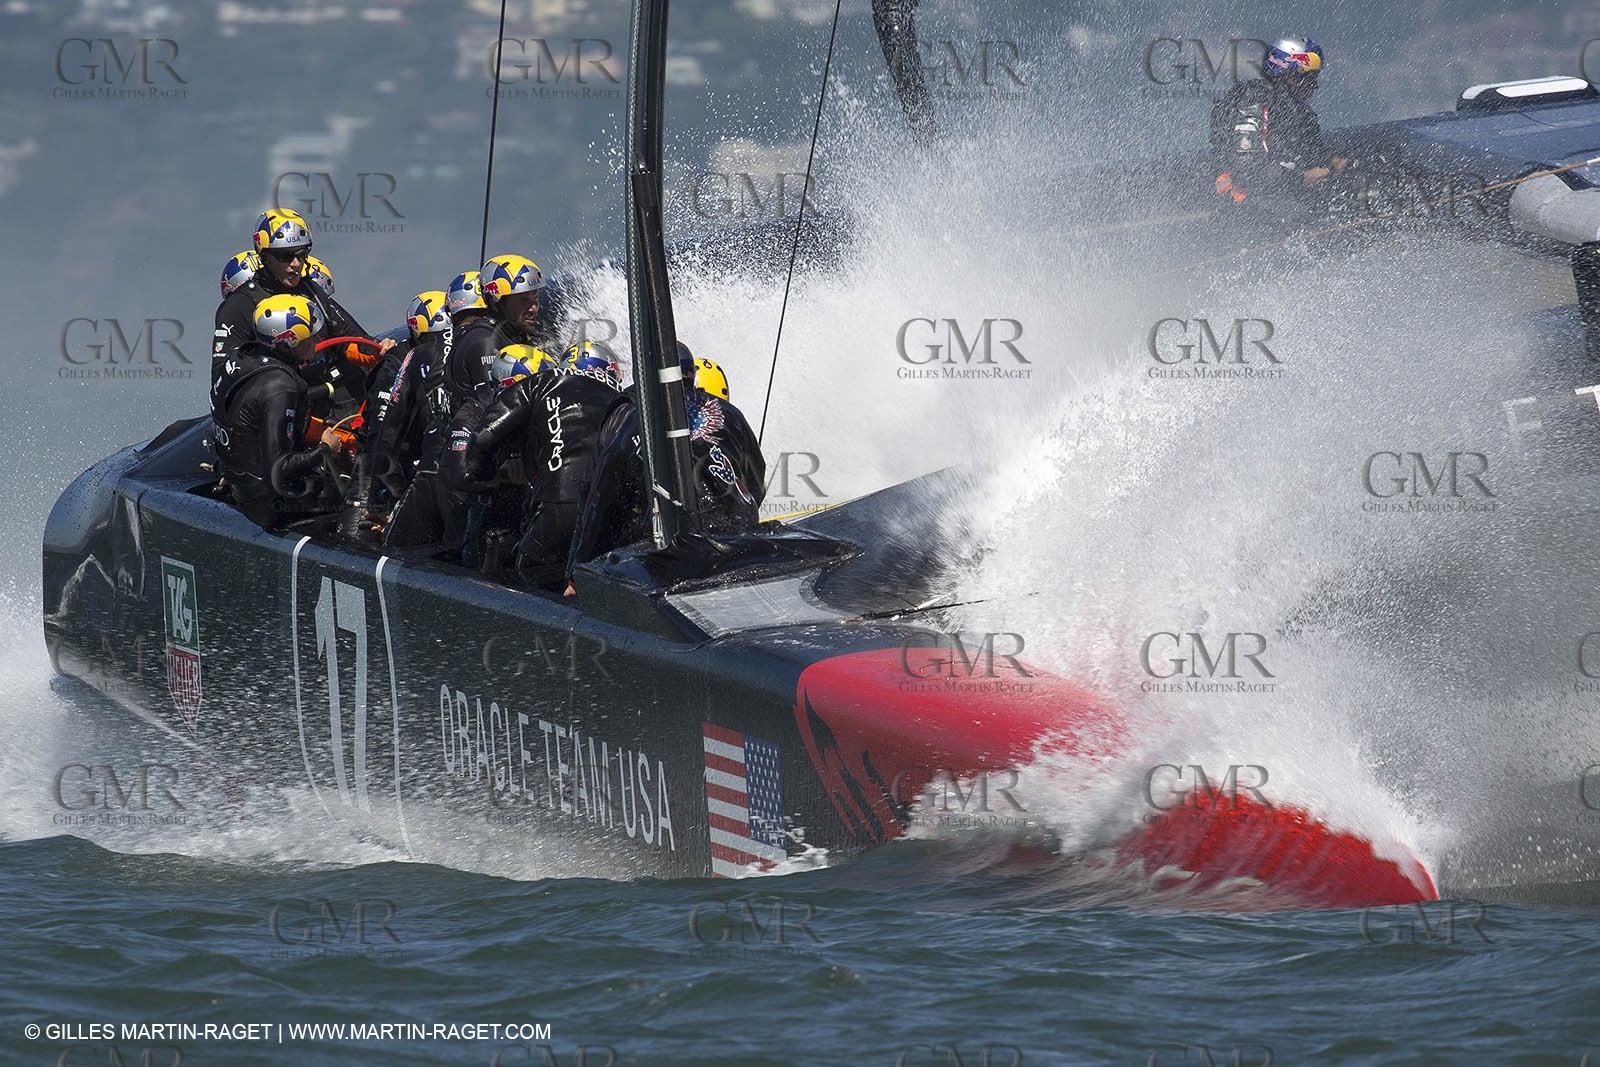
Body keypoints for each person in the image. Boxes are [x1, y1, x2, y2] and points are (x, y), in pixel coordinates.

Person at [567, 344, 765, 585]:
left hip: (679, 554)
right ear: (691, 375)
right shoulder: (730, 412)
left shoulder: (632, 417)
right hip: (742, 542)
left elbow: (600, 497)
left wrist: (579, 567)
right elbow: (756, 482)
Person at [447, 340, 621, 586]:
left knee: (533, 568)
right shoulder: (475, 412)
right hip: (580, 514)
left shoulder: (550, 391)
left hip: (557, 513)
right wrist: (498, 477)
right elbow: (461, 473)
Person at [382, 276, 504, 554]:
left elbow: (387, 432)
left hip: (434, 470)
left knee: (395, 552)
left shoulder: (419, 353)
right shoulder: (493, 342)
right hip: (474, 473)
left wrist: (388, 494)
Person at [210, 294, 350, 526]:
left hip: (237, 479)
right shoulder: (280, 388)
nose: (317, 341)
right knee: (355, 494)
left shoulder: (241, 356)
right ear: (287, 343)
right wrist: (326, 448)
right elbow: (280, 469)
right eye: (309, 337)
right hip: (267, 504)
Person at [1209, 37, 1352, 209]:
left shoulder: (1295, 110)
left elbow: (1310, 149)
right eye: (1309, 78)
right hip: (1245, 211)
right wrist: (1301, 178)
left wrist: (1335, 161)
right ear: (1288, 75)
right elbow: (1246, 169)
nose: (1314, 86)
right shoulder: (1253, 101)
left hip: (1285, 204)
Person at [357, 290, 450, 534]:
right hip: (377, 477)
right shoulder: (397, 364)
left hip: (423, 472)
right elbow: (381, 436)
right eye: (434, 337)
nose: (442, 344)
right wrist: (387, 495)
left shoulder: (453, 363)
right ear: (419, 334)